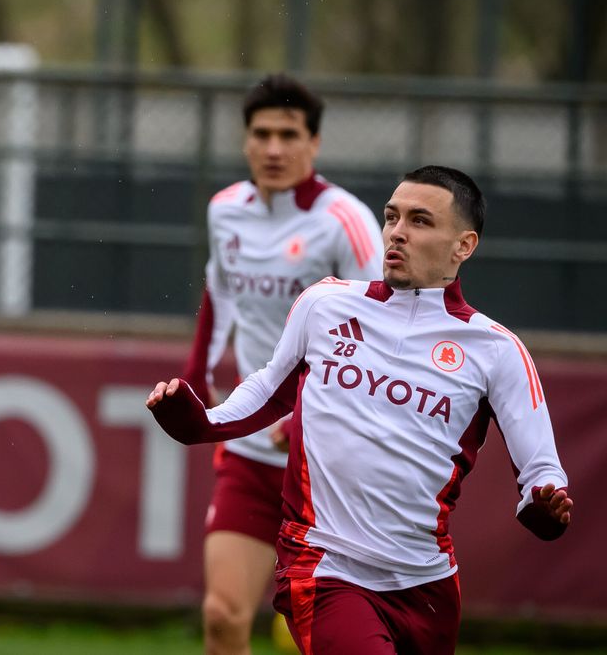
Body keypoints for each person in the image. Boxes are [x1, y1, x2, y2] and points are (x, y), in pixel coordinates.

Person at [148, 166, 573, 654]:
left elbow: (541, 468)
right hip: (325, 565)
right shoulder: (326, 304)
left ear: (464, 246)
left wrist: (545, 505)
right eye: (392, 217)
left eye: (420, 221)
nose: (397, 232)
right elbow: (269, 388)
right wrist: (200, 423)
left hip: (428, 585)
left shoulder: (497, 350)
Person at [183, 74, 382, 655]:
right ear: (245, 141)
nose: (274, 148)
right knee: (222, 616)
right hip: (250, 448)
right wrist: (195, 384)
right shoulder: (225, 211)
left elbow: (377, 336)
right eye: (261, 134)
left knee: (333, 636)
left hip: (330, 458)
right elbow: (220, 295)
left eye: (288, 135)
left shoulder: (345, 220)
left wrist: (304, 417)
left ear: (313, 144)